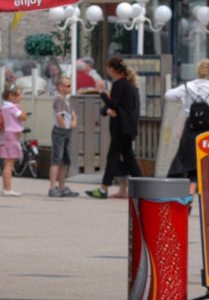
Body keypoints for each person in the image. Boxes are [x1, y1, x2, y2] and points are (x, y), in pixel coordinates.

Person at [86, 56, 142, 199]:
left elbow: (113, 104)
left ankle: (104, 188)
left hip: (121, 127)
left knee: (113, 156)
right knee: (129, 157)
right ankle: (144, 187)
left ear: (112, 69)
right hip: (128, 126)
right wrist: (108, 109)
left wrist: (101, 92)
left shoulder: (119, 84)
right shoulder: (130, 86)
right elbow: (116, 106)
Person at [48, 76, 79, 198]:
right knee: (57, 159)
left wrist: (74, 121)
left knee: (64, 161)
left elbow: (73, 113)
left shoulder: (66, 100)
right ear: (60, 87)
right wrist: (63, 126)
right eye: (68, 86)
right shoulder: (59, 100)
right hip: (60, 131)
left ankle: (62, 186)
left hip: (67, 131)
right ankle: (52, 187)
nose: (70, 88)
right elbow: (59, 116)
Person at [0, 85, 27, 197]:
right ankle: (7, 188)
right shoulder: (12, 108)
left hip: (8, 134)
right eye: (18, 95)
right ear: (10, 96)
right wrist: (22, 109)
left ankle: (7, 187)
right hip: (11, 135)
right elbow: (23, 116)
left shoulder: (4, 107)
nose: (20, 98)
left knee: (9, 163)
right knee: (9, 163)